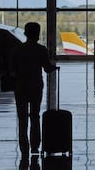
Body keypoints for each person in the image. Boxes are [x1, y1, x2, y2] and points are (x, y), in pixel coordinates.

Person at [11, 22, 59, 159]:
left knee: (22, 118)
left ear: (25, 33)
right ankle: (35, 146)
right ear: (37, 34)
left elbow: (12, 70)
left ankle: (24, 148)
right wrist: (55, 67)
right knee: (35, 116)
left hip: (20, 86)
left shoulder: (17, 50)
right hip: (36, 86)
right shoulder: (41, 50)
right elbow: (47, 68)